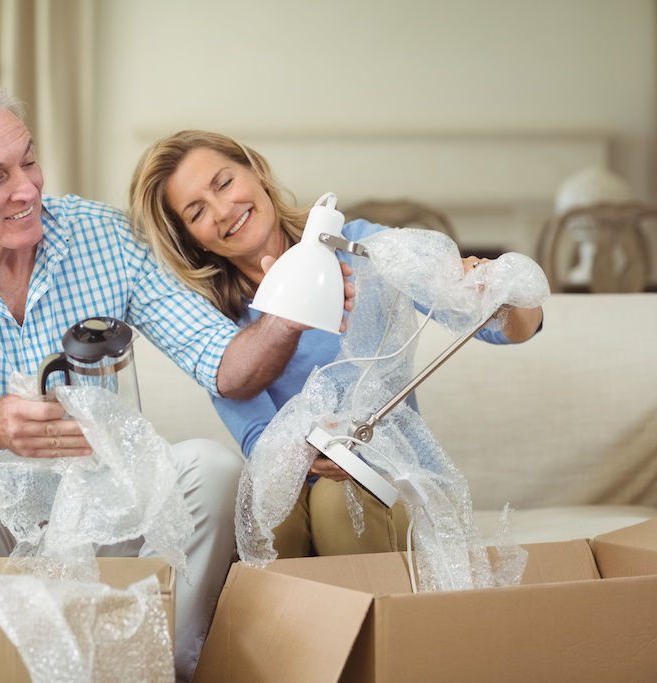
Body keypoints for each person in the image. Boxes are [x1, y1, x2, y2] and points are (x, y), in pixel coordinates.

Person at [0, 82, 329, 681]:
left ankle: (155, 665)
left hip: (103, 523)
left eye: (29, 160)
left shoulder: (104, 237)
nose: (26, 189)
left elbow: (224, 364)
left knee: (213, 468)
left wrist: (288, 314)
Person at [128, 129, 544, 558]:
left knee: (339, 502)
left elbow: (508, 327)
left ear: (257, 170)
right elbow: (257, 437)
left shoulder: (359, 247)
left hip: (385, 476)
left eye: (224, 183)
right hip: (292, 484)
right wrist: (307, 452)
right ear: (190, 237)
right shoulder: (210, 320)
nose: (221, 210)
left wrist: (501, 288)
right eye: (196, 212)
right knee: (269, 515)